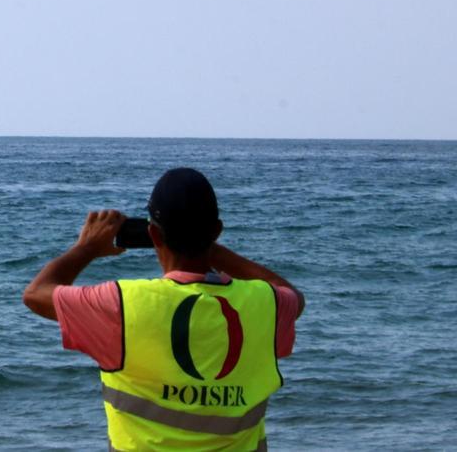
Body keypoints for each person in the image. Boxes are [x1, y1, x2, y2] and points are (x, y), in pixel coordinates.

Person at [22, 168, 304, 451]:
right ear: (216, 231)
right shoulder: (263, 303)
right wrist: (213, 251)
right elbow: (291, 295)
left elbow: (36, 294)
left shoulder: (122, 304)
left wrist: (86, 247)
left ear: (154, 234)